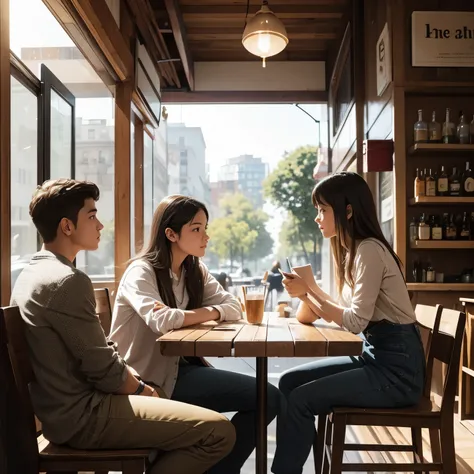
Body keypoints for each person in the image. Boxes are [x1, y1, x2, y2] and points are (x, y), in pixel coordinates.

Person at [11, 179, 236, 474]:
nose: (101, 226)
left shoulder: (32, 274)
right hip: (85, 415)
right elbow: (104, 370)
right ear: (67, 226)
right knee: (219, 432)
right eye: (92, 216)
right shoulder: (67, 280)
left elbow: (99, 355)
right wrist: (145, 389)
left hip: (62, 412)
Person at [110, 194, 282, 474]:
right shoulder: (141, 272)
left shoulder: (193, 269)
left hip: (181, 373)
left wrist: (204, 313)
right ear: (171, 234)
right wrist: (203, 313)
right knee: (260, 401)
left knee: (269, 397)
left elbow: (233, 306)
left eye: (205, 227)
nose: (206, 236)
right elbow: (162, 320)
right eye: (196, 229)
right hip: (147, 381)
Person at [271, 172, 426, 474]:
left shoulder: (369, 249)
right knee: (289, 382)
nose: (318, 218)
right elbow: (348, 312)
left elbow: (355, 321)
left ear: (348, 210)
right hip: (376, 358)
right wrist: (310, 291)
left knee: (301, 399)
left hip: (398, 373)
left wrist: (309, 293)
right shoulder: (354, 250)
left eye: (323, 209)